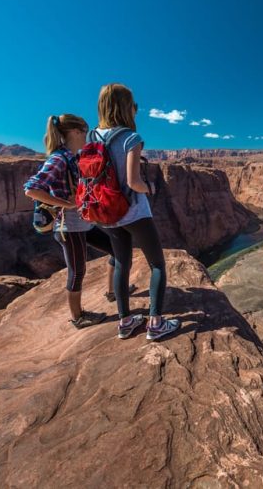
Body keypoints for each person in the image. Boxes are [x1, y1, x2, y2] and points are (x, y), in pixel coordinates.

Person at [24, 114, 133, 327]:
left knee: (115, 249)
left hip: (84, 221)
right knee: (78, 271)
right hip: (68, 226)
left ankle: (112, 291)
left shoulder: (75, 155)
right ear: (75, 132)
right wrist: (67, 203)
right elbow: (31, 189)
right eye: (85, 131)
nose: (88, 135)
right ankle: (78, 317)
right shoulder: (58, 158)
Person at [95, 83, 180, 340]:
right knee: (157, 264)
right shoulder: (131, 138)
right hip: (133, 212)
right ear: (127, 108)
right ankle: (155, 324)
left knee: (121, 262)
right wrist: (151, 187)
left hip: (105, 212)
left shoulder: (91, 137)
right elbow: (133, 182)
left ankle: (125, 322)